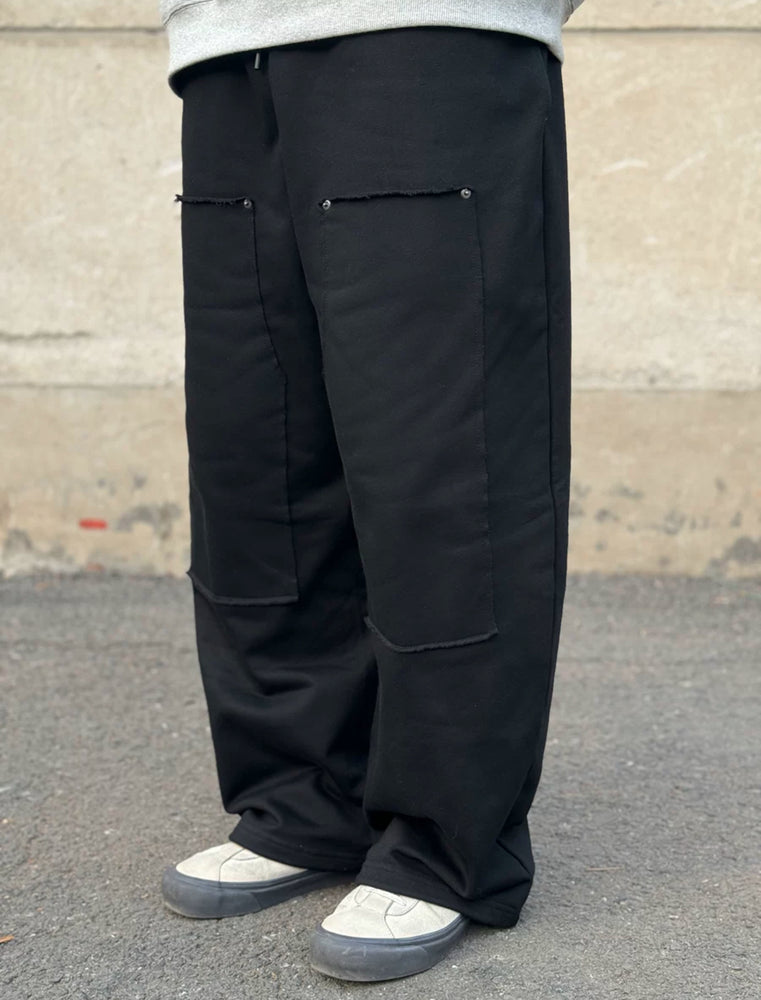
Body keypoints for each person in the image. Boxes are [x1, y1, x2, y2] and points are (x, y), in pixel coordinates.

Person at [157, 0, 584, 983]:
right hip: (222, 45)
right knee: (257, 454)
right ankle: (303, 798)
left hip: (427, 32)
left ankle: (447, 839)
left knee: (441, 459)